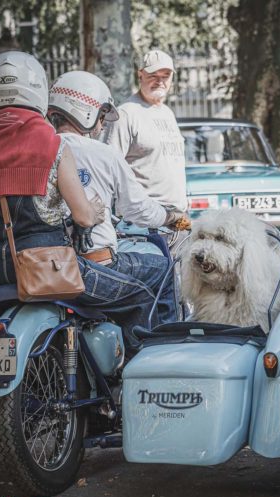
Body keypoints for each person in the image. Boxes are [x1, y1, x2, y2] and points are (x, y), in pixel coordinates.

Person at [0, 51, 170, 350]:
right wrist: (95, 212)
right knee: (141, 294)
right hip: (47, 269)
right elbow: (83, 217)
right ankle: (143, 377)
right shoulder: (51, 145)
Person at [48, 70, 187, 325]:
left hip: (48, 266)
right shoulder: (101, 153)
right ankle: (160, 351)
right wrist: (171, 216)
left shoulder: (40, 149)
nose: (101, 126)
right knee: (163, 270)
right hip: (95, 265)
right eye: (101, 116)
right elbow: (137, 208)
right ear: (86, 111)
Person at [101, 49, 187, 214]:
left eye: (165, 76)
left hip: (176, 216)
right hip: (144, 220)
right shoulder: (126, 114)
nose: (160, 81)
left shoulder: (167, 112)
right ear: (140, 75)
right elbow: (107, 167)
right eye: (153, 75)